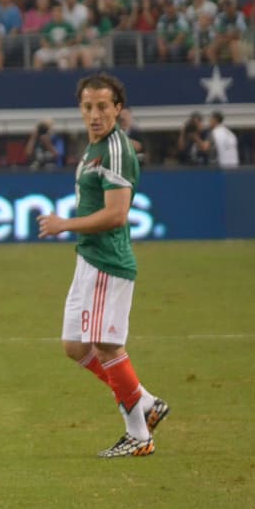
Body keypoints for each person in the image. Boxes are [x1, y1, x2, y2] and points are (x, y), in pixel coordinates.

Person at [35, 74, 169, 459]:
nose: (94, 114)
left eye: (102, 107)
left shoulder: (114, 149)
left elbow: (117, 214)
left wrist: (64, 225)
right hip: (89, 259)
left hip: (108, 260)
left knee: (107, 346)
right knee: (76, 346)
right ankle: (143, 401)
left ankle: (138, 435)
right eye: (88, 107)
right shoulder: (94, 148)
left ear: (118, 109)